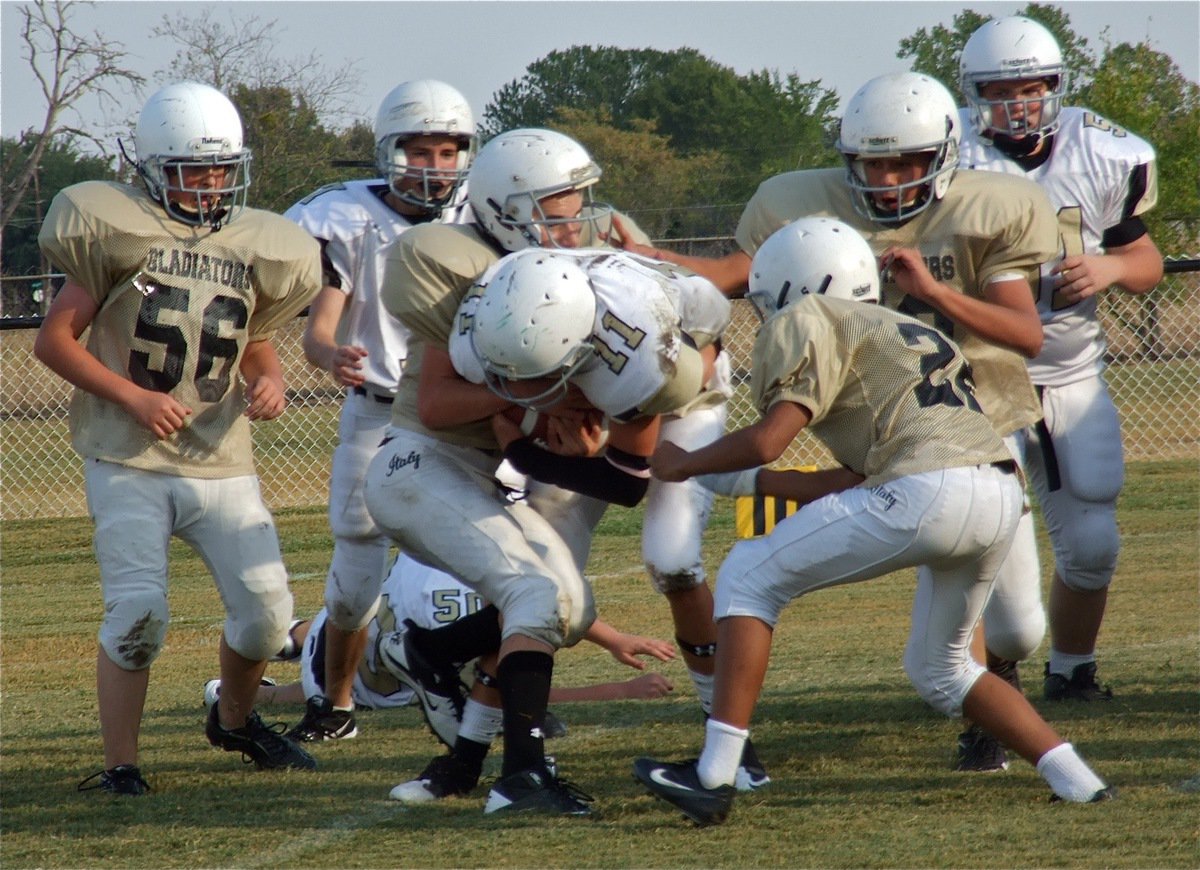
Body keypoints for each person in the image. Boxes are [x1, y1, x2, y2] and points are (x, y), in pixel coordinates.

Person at [625, 71, 1059, 774]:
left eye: (904, 162)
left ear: (943, 154)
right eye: (871, 162)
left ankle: (998, 691)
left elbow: (1027, 335)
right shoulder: (799, 203)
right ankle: (1027, 745)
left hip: (972, 423)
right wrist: (657, 261)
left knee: (1021, 627)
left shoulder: (993, 205)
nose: (886, 178)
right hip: (884, 439)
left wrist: (933, 291)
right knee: (800, 569)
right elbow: (735, 272)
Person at [633, 217, 1112, 827]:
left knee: (748, 576)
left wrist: (683, 463)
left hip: (930, 488)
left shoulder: (807, 317)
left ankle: (714, 776)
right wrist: (742, 482)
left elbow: (769, 441)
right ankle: (1079, 781)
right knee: (942, 669)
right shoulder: (905, 327)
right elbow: (849, 479)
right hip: (996, 493)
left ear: (790, 283)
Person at [34, 82, 322, 795]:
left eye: (221, 169)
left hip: (220, 461)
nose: (210, 184)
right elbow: (52, 341)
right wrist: (131, 395)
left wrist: (272, 377)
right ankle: (121, 766)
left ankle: (233, 718)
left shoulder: (256, 243)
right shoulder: (116, 227)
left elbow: (251, 336)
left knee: (266, 615)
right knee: (138, 613)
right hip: (127, 457)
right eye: (194, 171)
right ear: (155, 169)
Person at [362, 127, 652, 816]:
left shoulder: (576, 283)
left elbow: (610, 469)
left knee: (568, 606)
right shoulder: (471, 271)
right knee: (532, 593)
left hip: (476, 470)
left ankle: (449, 714)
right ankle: (522, 777)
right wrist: (534, 398)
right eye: (559, 204)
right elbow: (436, 404)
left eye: (579, 202)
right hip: (418, 462)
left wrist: (562, 433)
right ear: (509, 206)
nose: (575, 218)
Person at [958, 15, 1164, 703]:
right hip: (979, 378)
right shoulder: (949, 153)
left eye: (1032, 86)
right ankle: (992, 681)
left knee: (1096, 544)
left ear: (1055, 85)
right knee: (990, 554)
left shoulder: (1100, 150)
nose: (1018, 102)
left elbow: (1146, 259)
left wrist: (1108, 267)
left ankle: (1073, 671)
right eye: (1000, 89)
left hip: (1071, 370)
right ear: (974, 93)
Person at [281, 79, 478, 744]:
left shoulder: (484, 214)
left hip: (469, 415)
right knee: (356, 573)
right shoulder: (345, 218)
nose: (434, 167)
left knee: (502, 556)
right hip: (379, 410)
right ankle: (335, 703)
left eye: (448, 152)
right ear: (390, 152)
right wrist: (328, 354)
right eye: (420, 151)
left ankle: (505, 691)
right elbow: (318, 329)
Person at [203, 552, 675, 741]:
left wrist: (614, 640)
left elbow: (546, 605)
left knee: (357, 619)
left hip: (364, 638)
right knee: (313, 682)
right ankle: (257, 682)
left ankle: (292, 638)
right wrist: (620, 687)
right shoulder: (472, 584)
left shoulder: (435, 545)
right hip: (364, 673)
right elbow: (512, 695)